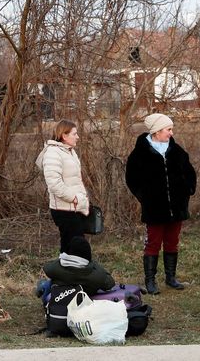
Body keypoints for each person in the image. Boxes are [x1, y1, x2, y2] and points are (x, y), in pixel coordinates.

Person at [125, 113, 197, 294]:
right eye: (168, 129)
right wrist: (145, 197)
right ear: (157, 131)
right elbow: (132, 179)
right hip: (154, 210)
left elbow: (190, 174)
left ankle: (170, 278)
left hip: (177, 209)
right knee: (153, 244)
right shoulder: (139, 154)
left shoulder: (177, 151)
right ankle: (150, 281)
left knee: (172, 242)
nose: (171, 133)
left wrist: (187, 191)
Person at [36, 120, 89, 254]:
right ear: (64, 136)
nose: (77, 137)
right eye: (74, 134)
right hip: (64, 209)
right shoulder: (53, 153)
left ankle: (66, 273)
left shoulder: (69, 151)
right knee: (74, 248)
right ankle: (70, 273)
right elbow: (54, 185)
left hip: (74, 208)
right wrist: (75, 198)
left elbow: (75, 180)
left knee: (69, 246)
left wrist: (81, 199)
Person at [42, 236, 115, 296]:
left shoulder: (55, 269)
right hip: (84, 299)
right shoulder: (97, 276)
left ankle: (41, 291)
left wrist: (62, 259)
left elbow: (46, 267)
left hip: (61, 299)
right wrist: (93, 263)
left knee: (47, 283)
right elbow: (110, 283)